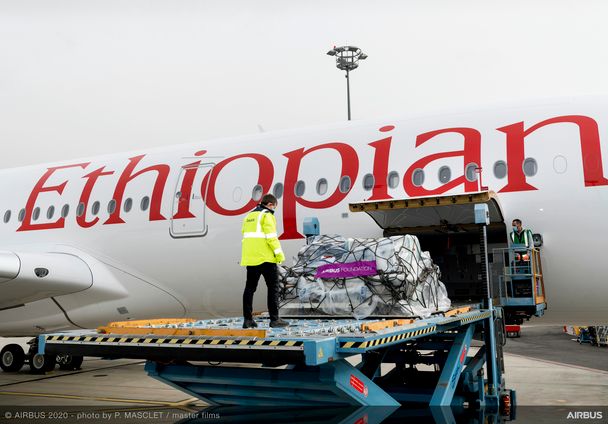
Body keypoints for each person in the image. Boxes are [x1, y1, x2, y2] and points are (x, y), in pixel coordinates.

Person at [240, 193, 289, 329]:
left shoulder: (249, 216)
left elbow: (246, 235)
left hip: (251, 258)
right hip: (266, 258)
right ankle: (274, 319)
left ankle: (248, 320)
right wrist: (279, 255)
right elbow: (271, 237)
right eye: (274, 207)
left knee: (249, 289)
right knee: (273, 288)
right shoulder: (267, 215)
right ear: (270, 205)